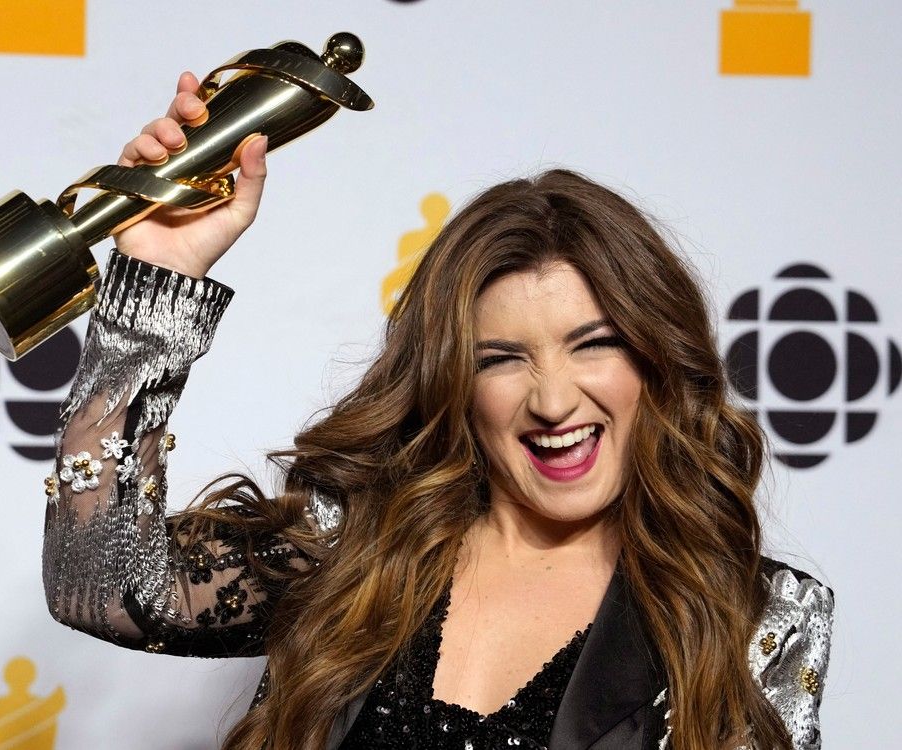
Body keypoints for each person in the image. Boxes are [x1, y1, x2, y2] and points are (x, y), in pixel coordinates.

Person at [42, 73, 833, 750]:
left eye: (593, 344)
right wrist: (155, 282)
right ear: (456, 380)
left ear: (658, 360)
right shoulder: (352, 546)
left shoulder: (753, 624)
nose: (553, 400)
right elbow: (100, 585)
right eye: (501, 358)